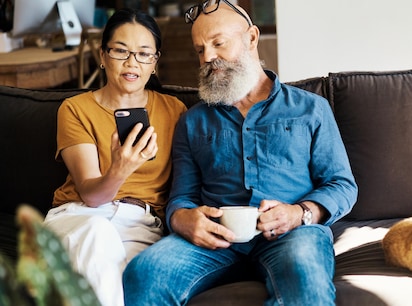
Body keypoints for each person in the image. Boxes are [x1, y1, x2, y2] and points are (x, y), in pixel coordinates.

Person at [123, 1, 358, 305]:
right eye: (199, 49)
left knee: (305, 283)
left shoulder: (311, 109)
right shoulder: (192, 121)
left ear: (251, 38)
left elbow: (342, 185)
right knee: (144, 273)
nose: (207, 57)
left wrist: (299, 213)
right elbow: (181, 197)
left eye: (218, 43)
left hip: (292, 234)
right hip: (216, 240)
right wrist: (183, 220)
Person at [42, 8, 187, 306]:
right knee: (97, 232)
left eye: (144, 54)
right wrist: (120, 169)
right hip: (79, 218)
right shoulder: (75, 109)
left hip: (139, 226)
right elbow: (91, 196)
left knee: (134, 280)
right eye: (121, 51)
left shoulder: (174, 111)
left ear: (154, 62)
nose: (132, 62)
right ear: (103, 55)